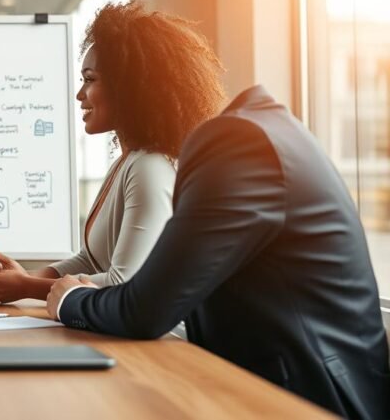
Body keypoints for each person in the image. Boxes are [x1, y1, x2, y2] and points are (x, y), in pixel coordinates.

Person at [45, 90, 390, 419]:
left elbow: (146, 310)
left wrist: (70, 300)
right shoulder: (268, 130)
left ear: (136, 90)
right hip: (275, 388)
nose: (80, 94)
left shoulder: (240, 144)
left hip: (312, 403)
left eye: (91, 80)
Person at [0, 2, 226, 303]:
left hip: (158, 348)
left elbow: (125, 282)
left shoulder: (150, 168)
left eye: (90, 79)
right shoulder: (129, 162)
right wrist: (25, 278)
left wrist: (27, 287)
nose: (79, 94)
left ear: (130, 88)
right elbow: (91, 261)